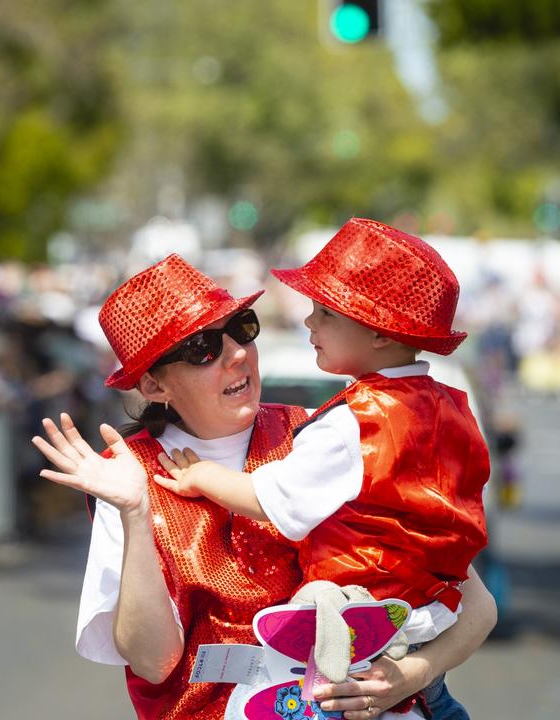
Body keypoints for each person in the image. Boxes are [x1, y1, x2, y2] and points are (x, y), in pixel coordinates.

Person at [32, 254, 496, 720]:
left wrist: (411, 675)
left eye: (243, 328)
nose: (237, 353)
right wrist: (133, 512)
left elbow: (474, 602)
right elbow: (154, 663)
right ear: (154, 385)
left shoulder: (324, 435)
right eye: (202, 349)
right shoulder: (126, 474)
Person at [155, 219, 489, 716]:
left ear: (375, 330)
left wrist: (201, 476)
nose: (308, 322)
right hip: (430, 620)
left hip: (359, 629)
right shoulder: (452, 407)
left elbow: (273, 500)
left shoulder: (353, 423)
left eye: (324, 312)